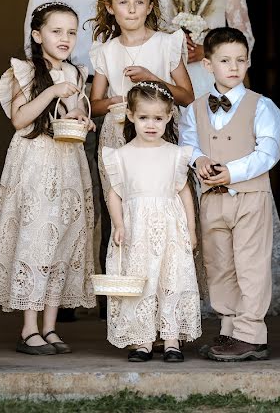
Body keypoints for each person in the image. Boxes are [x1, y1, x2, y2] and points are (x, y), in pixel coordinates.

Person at [151, 0, 280, 316]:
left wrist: (237, 91)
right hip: (175, 86)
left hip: (217, 80)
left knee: (229, 181)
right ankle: (184, 293)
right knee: (182, 176)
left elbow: (244, 37)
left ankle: (242, 301)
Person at [24, 0, 153, 287]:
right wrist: (51, 97)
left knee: (119, 194)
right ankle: (59, 295)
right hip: (68, 97)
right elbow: (32, 40)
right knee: (65, 195)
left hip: (123, 100)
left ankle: (109, 292)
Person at [0, 2, 96, 354]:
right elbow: (20, 120)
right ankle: (28, 328)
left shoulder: (77, 73)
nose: (65, 38)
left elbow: (72, 110)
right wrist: (51, 91)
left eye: (71, 32)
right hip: (35, 161)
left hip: (67, 161)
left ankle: (50, 328)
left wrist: (81, 116)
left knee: (63, 239)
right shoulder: (25, 71)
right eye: (56, 31)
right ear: (37, 34)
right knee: (36, 238)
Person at [180, 27, 280, 362]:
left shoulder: (262, 106)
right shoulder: (194, 108)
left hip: (250, 197)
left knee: (250, 264)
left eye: (241, 60)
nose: (234, 66)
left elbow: (269, 152)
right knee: (219, 263)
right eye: (225, 60)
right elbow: (187, 144)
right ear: (208, 65)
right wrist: (201, 160)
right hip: (212, 199)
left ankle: (252, 334)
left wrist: (233, 172)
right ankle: (229, 329)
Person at [102, 81, 201, 362]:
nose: (151, 124)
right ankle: (143, 341)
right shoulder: (121, 156)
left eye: (158, 118)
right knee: (141, 282)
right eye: (144, 117)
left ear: (169, 117)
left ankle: (171, 340)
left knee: (171, 279)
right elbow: (114, 194)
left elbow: (184, 193)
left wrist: (191, 231)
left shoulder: (174, 154)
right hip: (137, 230)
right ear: (131, 116)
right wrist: (119, 224)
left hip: (170, 229)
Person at [89, 0, 195, 200]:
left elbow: (187, 97)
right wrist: (114, 101)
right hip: (116, 134)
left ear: (149, 7)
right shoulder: (105, 51)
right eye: (123, 2)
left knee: (161, 199)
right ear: (110, 8)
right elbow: (94, 105)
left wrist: (153, 79)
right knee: (122, 203)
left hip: (159, 132)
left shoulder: (167, 44)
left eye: (139, 2)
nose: (131, 9)